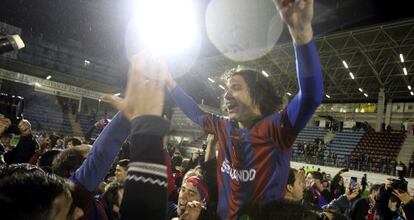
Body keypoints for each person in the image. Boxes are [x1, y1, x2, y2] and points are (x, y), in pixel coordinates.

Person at [164, 0, 323, 218]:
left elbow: (311, 96)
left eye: (236, 88)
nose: (226, 95)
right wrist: (170, 83)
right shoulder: (223, 125)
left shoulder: (277, 128)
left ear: (257, 94)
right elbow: (194, 111)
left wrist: (302, 34)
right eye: (226, 90)